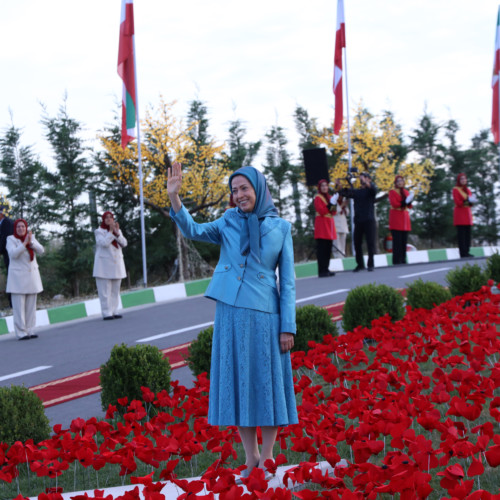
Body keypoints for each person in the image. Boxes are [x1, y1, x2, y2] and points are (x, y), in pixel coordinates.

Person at [167, 162, 298, 479]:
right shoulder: (228, 221)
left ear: (259, 189)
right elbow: (193, 230)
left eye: (244, 189)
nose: (239, 195)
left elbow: (289, 282)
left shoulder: (280, 228)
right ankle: (250, 457)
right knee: (239, 384)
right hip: (230, 314)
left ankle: (267, 457)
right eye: (234, 190)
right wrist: (174, 198)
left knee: (265, 385)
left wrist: (287, 327)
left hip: (267, 315)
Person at [6, 219, 44, 340]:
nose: (21, 229)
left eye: (23, 226)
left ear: (26, 227)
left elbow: (42, 250)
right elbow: (13, 254)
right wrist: (24, 244)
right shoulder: (11, 239)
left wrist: (30, 242)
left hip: (32, 278)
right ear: (15, 229)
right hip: (17, 280)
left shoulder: (31, 238)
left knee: (31, 307)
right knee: (19, 308)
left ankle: (30, 330)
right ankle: (21, 332)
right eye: (18, 227)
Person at [336, 172, 377, 272]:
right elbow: (344, 193)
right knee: (357, 242)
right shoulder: (357, 192)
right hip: (358, 220)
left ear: (369, 180)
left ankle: (371, 264)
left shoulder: (371, 190)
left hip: (369, 220)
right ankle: (360, 264)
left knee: (370, 242)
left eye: (365, 178)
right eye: (362, 178)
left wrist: (365, 181)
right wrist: (339, 185)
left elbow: (373, 190)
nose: (362, 180)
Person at [93, 211, 127, 320]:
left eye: (110, 217)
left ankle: (114, 310)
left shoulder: (118, 231)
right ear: (103, 220)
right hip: (103, 267)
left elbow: (124, 243)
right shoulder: (99, 231)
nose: (109, 219)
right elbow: (103, 243)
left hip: (116, 265)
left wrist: (116, 233)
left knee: (115, 291)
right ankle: (106, 312)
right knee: (105, 292)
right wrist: (111, 232)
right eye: (106, 218)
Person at [314, 179, 337, 277]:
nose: (324, 187)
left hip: (329, 224)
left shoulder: (330, 197)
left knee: (328, 249)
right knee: (322, 249)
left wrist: (334, 204)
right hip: (322, 225)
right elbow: (322, 211)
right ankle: (321, 270)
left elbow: (334, 212)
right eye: (322, 186)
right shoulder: (318, 198)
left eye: (326, 186)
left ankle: (326, 268)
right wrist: (330, 205)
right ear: (320, 187)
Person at [389, 175, 413, 265]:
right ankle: (396, 260)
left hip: (405, 219)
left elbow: (409, 206)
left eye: (401, 181)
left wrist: (409, 201)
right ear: (395, 183)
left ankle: (403, 259)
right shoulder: (392, 192)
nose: (400, 182)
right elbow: (394, 204)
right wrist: (403, 203)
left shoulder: (406, 192)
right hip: (396, 218)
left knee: (404, 241)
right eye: (398, 181)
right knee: (397, 241)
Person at [452, 173, 475, 258]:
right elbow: (458, 202)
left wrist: (471, 201)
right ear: (459, 180)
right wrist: (467, 202)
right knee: (461, 235)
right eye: (462, 179)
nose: (463, 180)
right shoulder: (455, 189)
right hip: (460, 214)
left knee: (468, 234)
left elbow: (471, 203)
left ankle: (467, 251)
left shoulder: (467, 190)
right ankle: (463, 252)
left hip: (467, 213)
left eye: (465, 179)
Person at [0, 205, 14, 307]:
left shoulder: (6, 223)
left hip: (11, 256)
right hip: (7, 255)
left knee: (12, 278)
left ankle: (13, 304)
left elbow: (5, 240)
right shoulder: (3, 224)